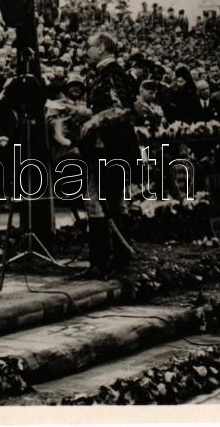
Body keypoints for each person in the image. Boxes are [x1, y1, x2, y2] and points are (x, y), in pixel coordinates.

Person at [79, 32, 139, 278]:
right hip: (109, 148)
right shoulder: (106, 73)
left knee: (101, 201)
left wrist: (94, 120)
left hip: (112, 149)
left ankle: (104, 263)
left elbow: (121, 109)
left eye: (90, 46)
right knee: (110, 202)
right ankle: (115, 261)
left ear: (102, 47)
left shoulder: (111, 73)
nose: (87, 51)